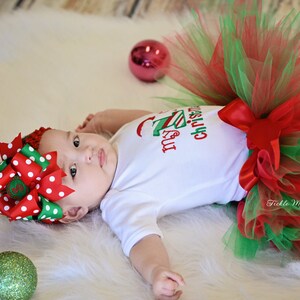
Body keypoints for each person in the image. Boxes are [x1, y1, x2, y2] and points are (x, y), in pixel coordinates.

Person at [0, 1, 299, 299]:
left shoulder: (117, 138)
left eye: (76, 141)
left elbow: (148, 121)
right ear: (74, 211)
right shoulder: (122, 200)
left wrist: (105, 117)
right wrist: (156, 271)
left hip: (257, 113)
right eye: (74, 171)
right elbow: (141, 240)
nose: (87, 152)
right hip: (262, 166)